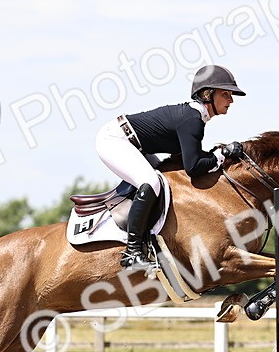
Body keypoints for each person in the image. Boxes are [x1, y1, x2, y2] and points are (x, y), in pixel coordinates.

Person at [95, 64, 246, 270]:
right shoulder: (192, 119)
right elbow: (193, 167)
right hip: (114, 140)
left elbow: (190, 160)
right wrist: (222, 154)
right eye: (226, 94)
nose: (231, 100)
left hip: (135, 144)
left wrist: (218, 155)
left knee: (165, 181)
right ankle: (132, 252)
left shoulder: (195, 118)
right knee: (151, 182)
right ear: (207, 94)